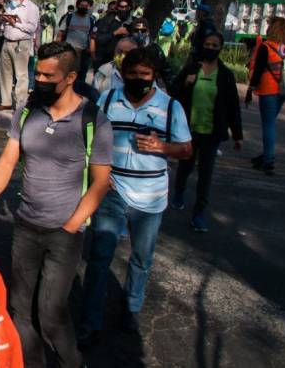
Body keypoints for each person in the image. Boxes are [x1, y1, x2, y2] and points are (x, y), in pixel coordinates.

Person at [0, 42, 113, 368]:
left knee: (51, 312)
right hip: (26, 226)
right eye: (37, 72)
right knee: (21, 309)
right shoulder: (28, 110)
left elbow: (101, 182)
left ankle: (71, 362)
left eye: (47, 75)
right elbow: (9, 160)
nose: (39, 79)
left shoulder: (93, 119)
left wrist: (70, 227)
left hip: (64, 231)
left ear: (70, 77)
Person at [78, 47, 192, 347]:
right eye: (132, 74)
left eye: (145, 75)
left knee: (141, 259)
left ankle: (131, 308)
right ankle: (89, 321)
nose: (138, 79)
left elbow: (186, 149)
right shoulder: (109, 99)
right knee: (100, 256)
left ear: (154, 76)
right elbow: (92, 138)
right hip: (112, 190)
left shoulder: (171, 108)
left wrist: (161, 148)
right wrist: (99, 175)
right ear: (123, 74)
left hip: (151, 197)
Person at [170, 33, 243, 233]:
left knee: (206, 173)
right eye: (207, 44)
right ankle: (179, 191)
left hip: (211, 132)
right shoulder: (192, 69)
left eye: (215, 45)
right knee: (186, 165)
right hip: (189, 131)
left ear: (220, 48)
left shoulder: (225, 75)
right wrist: (186, 83)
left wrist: (237, 134)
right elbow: (173, 90)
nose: (210, 48)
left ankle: (199, 212)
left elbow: (232, 106)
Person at [246, 16, 285, 176]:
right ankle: (265, 155)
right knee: (270, 123)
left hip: (268, 89)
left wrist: (250, 88)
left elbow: (258, 70)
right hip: (283, 91)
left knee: (268, 125)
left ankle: (268, 160)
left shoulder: (266, 47)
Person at [0, 0, 40, 111]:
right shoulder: (10, 5)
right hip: (7, 41)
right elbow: (6, 21)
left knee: (21, 75)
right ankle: (6, 101)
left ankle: (20, 105)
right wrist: (3, 21)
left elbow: (32, 28)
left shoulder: (32, 8)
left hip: (21, 43)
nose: (13, 0)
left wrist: (15, 23)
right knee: (5, 73)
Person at [58, 0, 95, 82]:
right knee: (69, 73)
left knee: (82, 74)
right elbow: (60, 33)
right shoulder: (69, 17)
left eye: (86, 6)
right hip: (70, 50)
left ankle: (79, 92)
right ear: (77, 5)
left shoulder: (90, 19)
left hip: (84, 52)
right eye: (82, 5)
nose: (84, 8)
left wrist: (91, 51)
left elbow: (91, 36)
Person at [90, 0, 132, 70]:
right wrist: (115, 33)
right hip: (104, 61)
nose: (124, 9)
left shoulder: (132, 22)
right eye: (121, 7)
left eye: (126, 7)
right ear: (117, 8)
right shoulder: (105, 21)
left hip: (124, 63)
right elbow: (98, 39)